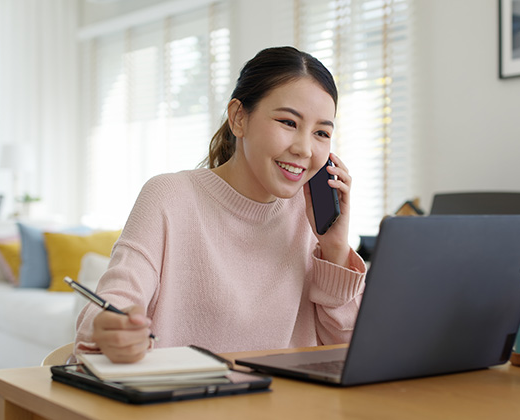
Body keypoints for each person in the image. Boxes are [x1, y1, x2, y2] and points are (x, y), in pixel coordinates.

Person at [75, 46, 366, 363]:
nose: (304, 149)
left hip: (287, 408)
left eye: (321, 132)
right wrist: (112, 327)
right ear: (239, 118)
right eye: (288, 122)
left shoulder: (310, 217)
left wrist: (335, 249)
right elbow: (110, 305)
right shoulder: (170, 197)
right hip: (183, 404)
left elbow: (350, 351)